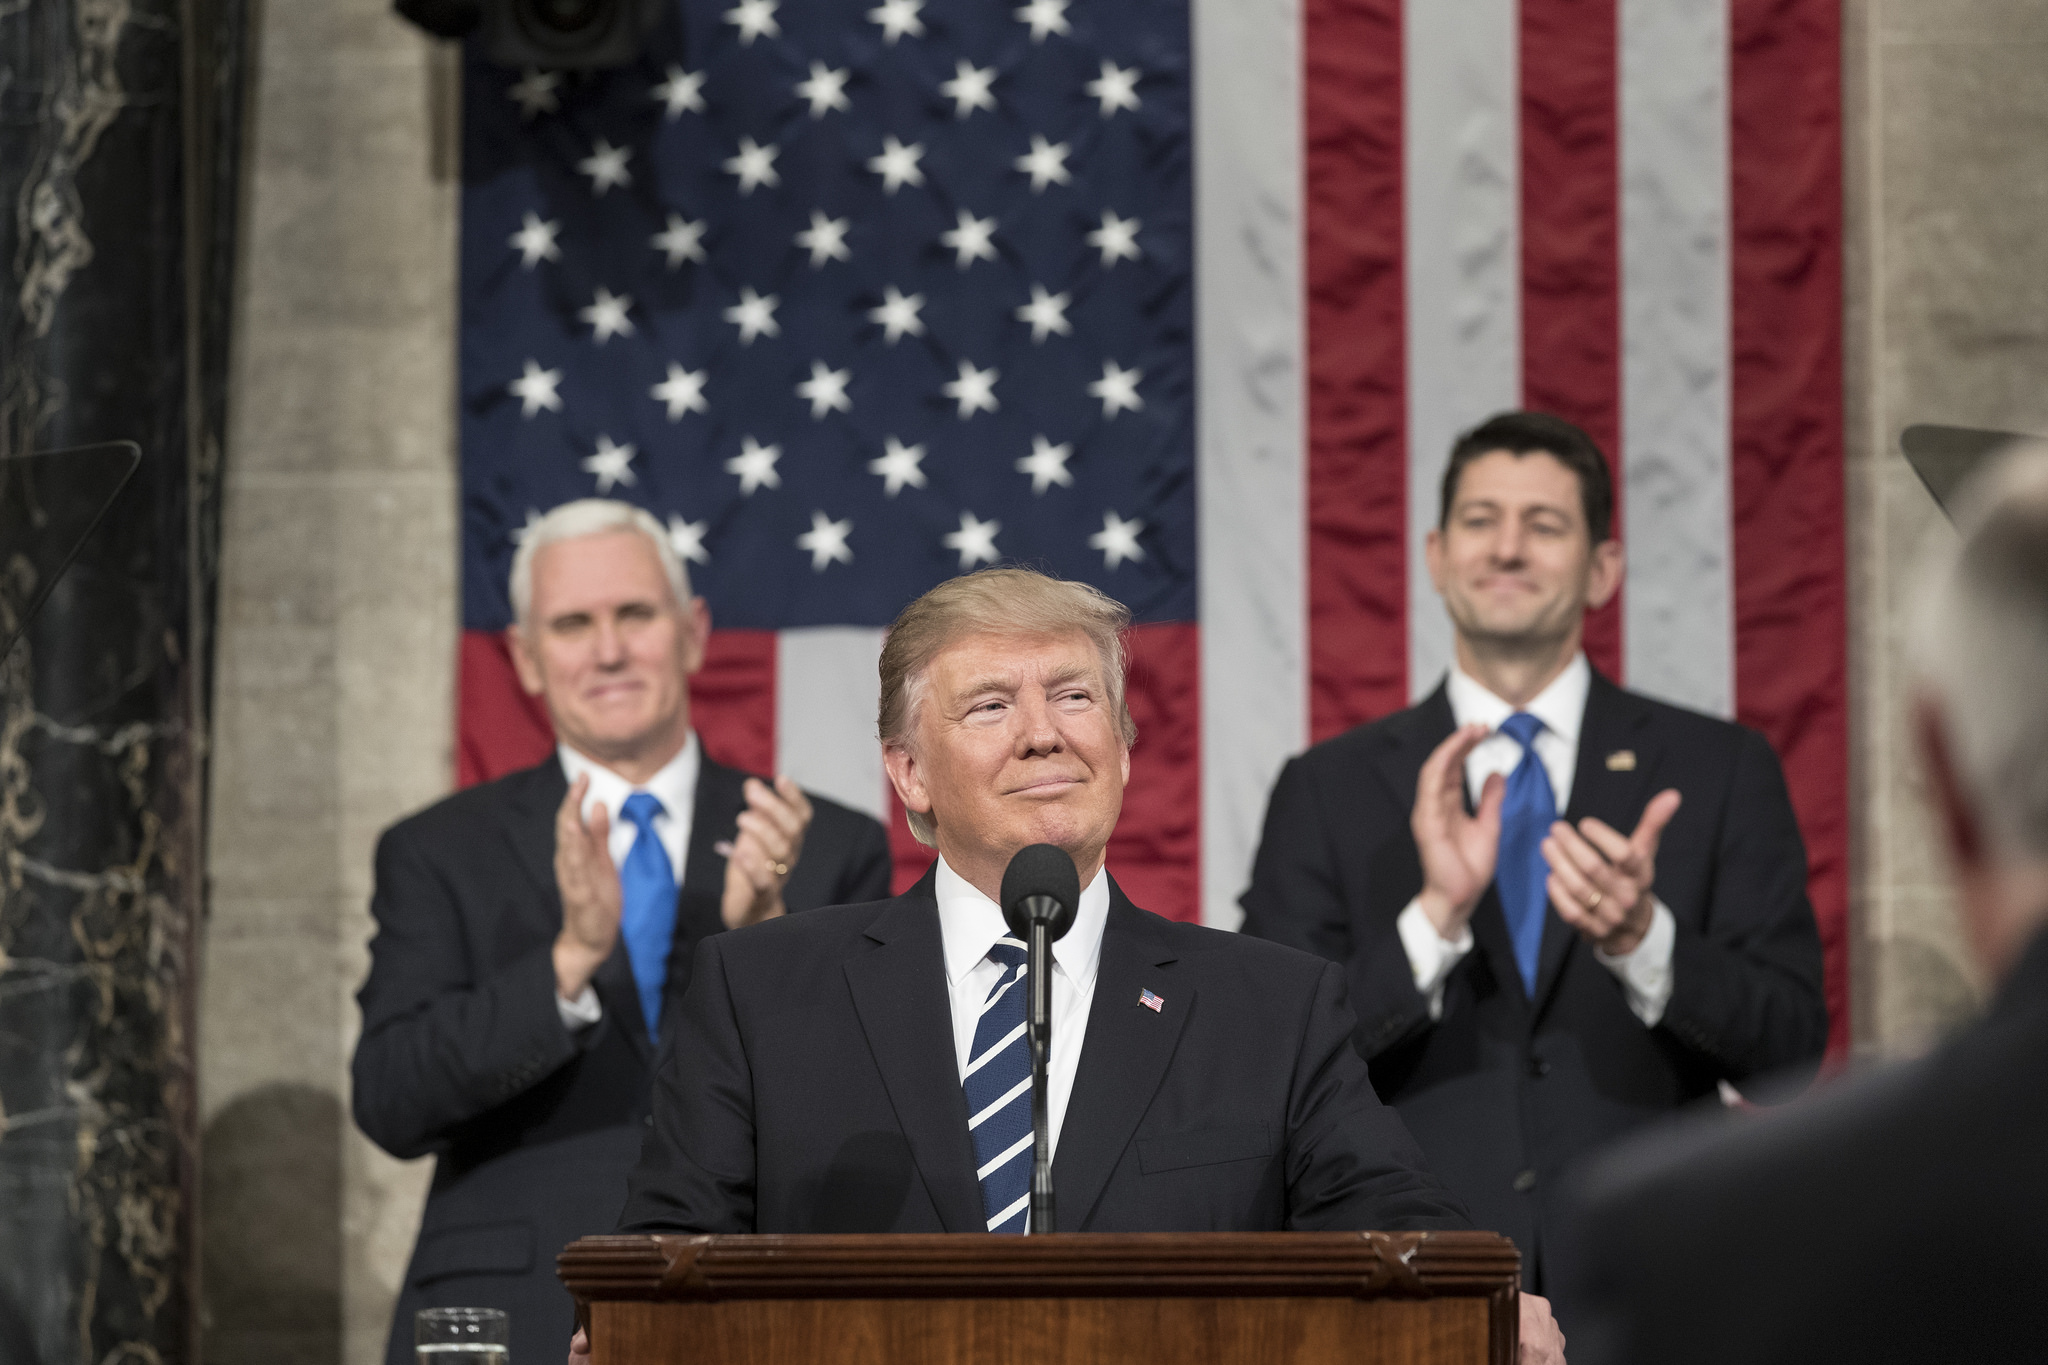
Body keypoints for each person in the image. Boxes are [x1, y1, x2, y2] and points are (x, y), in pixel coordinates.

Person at [591, 566, 1565, 1362]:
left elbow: (1398, 1224)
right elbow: (664, 1258)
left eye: (1072, 695)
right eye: (989, 706)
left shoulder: (1269, 1008)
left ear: (1124, 748)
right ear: (908, 774)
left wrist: (1477, 1302)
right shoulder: (759, 993)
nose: (1043, 732)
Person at [1239, 411, 1829, 1289]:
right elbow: (1263, 1065)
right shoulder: (1326, 787)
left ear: (1604, 569)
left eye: (1544, 525)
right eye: (1481, 521)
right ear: (1437, 556)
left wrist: (1644, 941)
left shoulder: (1720, 768)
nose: (1507, 549)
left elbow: (1790, 1054)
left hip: (1654, 1281)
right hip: (1409, 1287)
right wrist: (1432, 922)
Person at [352, 500, 892, 1365]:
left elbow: (868, 1118)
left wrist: (766, 937)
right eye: (572, 623)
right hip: (507, 1317)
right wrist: (566, 962)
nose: (608, 649)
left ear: (692, 632)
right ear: (527, 658)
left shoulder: (828, 845)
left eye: (634, 614)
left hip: (752, 1311)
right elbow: (389, 1098)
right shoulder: (435, 850)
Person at [1554, 452, 2048, 1364]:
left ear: (1935, 765)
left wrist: (1644, 939)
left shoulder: (1712, 1242)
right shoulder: (1333, 792)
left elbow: (1784, 1035)